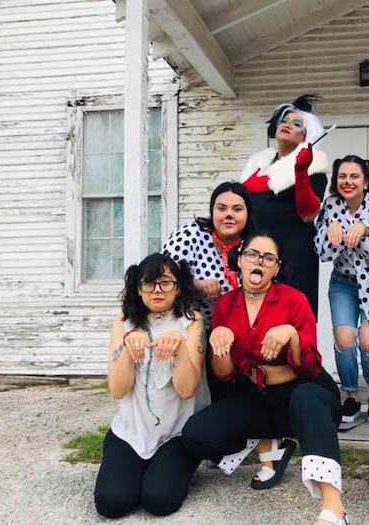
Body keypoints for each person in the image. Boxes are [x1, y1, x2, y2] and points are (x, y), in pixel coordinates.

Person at [180, 233, 348, 525]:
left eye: (268, 258)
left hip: (306, 393)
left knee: (306, 397)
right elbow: (225, 375)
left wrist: (291, 335)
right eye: (252, 254)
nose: (259, 261)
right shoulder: (226, 306)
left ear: (277, 268)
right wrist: (219, 342)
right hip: (259, 396)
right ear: (240, 261)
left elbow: (309, 369)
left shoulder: (294, 300)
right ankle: (269, 444)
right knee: (197, 433)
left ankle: (334, 510)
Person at [94, 253, 210, 518]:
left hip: (176, 432)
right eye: (149, 283)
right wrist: (126, 348)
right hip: (131, 430)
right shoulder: (124, 321)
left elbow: (186, 389)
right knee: (112, 503)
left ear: (178, 287)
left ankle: (165, 467)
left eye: (166, 282)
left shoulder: (191, 321)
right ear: (138, 288)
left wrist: (180, 348)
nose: (157, 290)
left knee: (160, 501)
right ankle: (135, 466)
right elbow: (118, 390)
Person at [314, 155, 369, 424]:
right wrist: (330, 230)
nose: (348, 182)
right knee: (344, 337)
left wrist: (366, 230)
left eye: (354, 176)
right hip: (344, 281)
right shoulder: (331, 206)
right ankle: (349, 395)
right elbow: (322, 253)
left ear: (366, 180)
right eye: (342, 177)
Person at [240, 94, 329, 317]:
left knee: (293, 321)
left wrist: (300, 173)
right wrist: (245, 187)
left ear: (306, 135)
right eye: (284, 120)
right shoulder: (258, 164)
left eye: (296, 123)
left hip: (294, 256)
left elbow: (309, 213)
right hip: (257, 252)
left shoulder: (313, 166)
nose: (287, 125)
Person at [161, 181, 255, 328]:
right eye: (221, 208)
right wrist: (196, 284)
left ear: (248, 214)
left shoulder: (255, 245)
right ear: (212, 212)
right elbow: (160, 278)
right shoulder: (189, 235)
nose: (229, 214)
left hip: (241, 330)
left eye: (237, 209)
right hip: (186, 326)